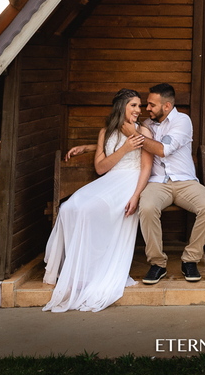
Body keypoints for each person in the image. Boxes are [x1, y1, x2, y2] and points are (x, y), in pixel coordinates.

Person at [42, 88, 152, 312]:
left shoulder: (144, 132)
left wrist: (136, 196)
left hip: (130, 182)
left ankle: (97, 269)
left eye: (139, 106)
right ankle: (79, 270)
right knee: (69, 208)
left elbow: (146, 167)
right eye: (134, 105)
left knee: (89, 210)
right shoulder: (105, 133)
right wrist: (123, 149)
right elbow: (100, 168)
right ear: (121, 107)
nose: (138, 110)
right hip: (110, 180)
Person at [137, 83, 205, 284]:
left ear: (166, 106)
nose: (147, 108)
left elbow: (164, 150)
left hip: (185, 182)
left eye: (151, 105)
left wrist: (137, 136)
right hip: (157, 183)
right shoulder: (148, 124)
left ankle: (190, 259)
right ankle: (157, 263)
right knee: (146, 208)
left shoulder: (182, 121)